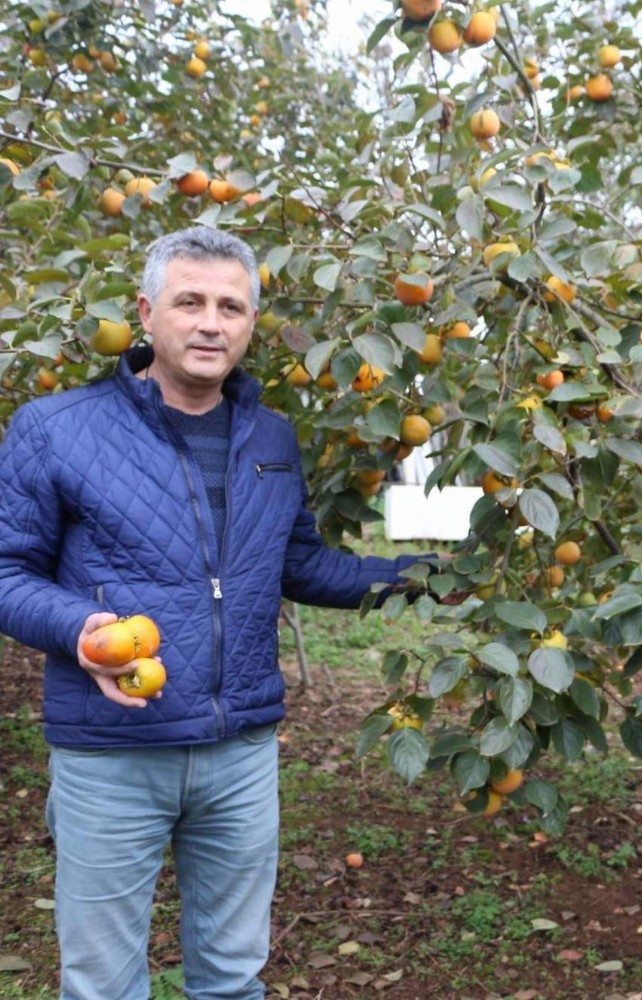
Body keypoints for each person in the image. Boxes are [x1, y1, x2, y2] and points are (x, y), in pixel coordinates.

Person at [0, 227, 440, 1000]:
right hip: (111, 754)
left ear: (249, 323)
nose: (211, 323)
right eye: (190, 302)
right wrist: (80, 630)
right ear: (146, 312)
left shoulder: (270, 436)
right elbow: (7, 569)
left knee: (234, 978)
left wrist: (425, 577)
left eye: (231, 306)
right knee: (102, 984)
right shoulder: (54, 427)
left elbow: (300, 563)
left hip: (240, 751)